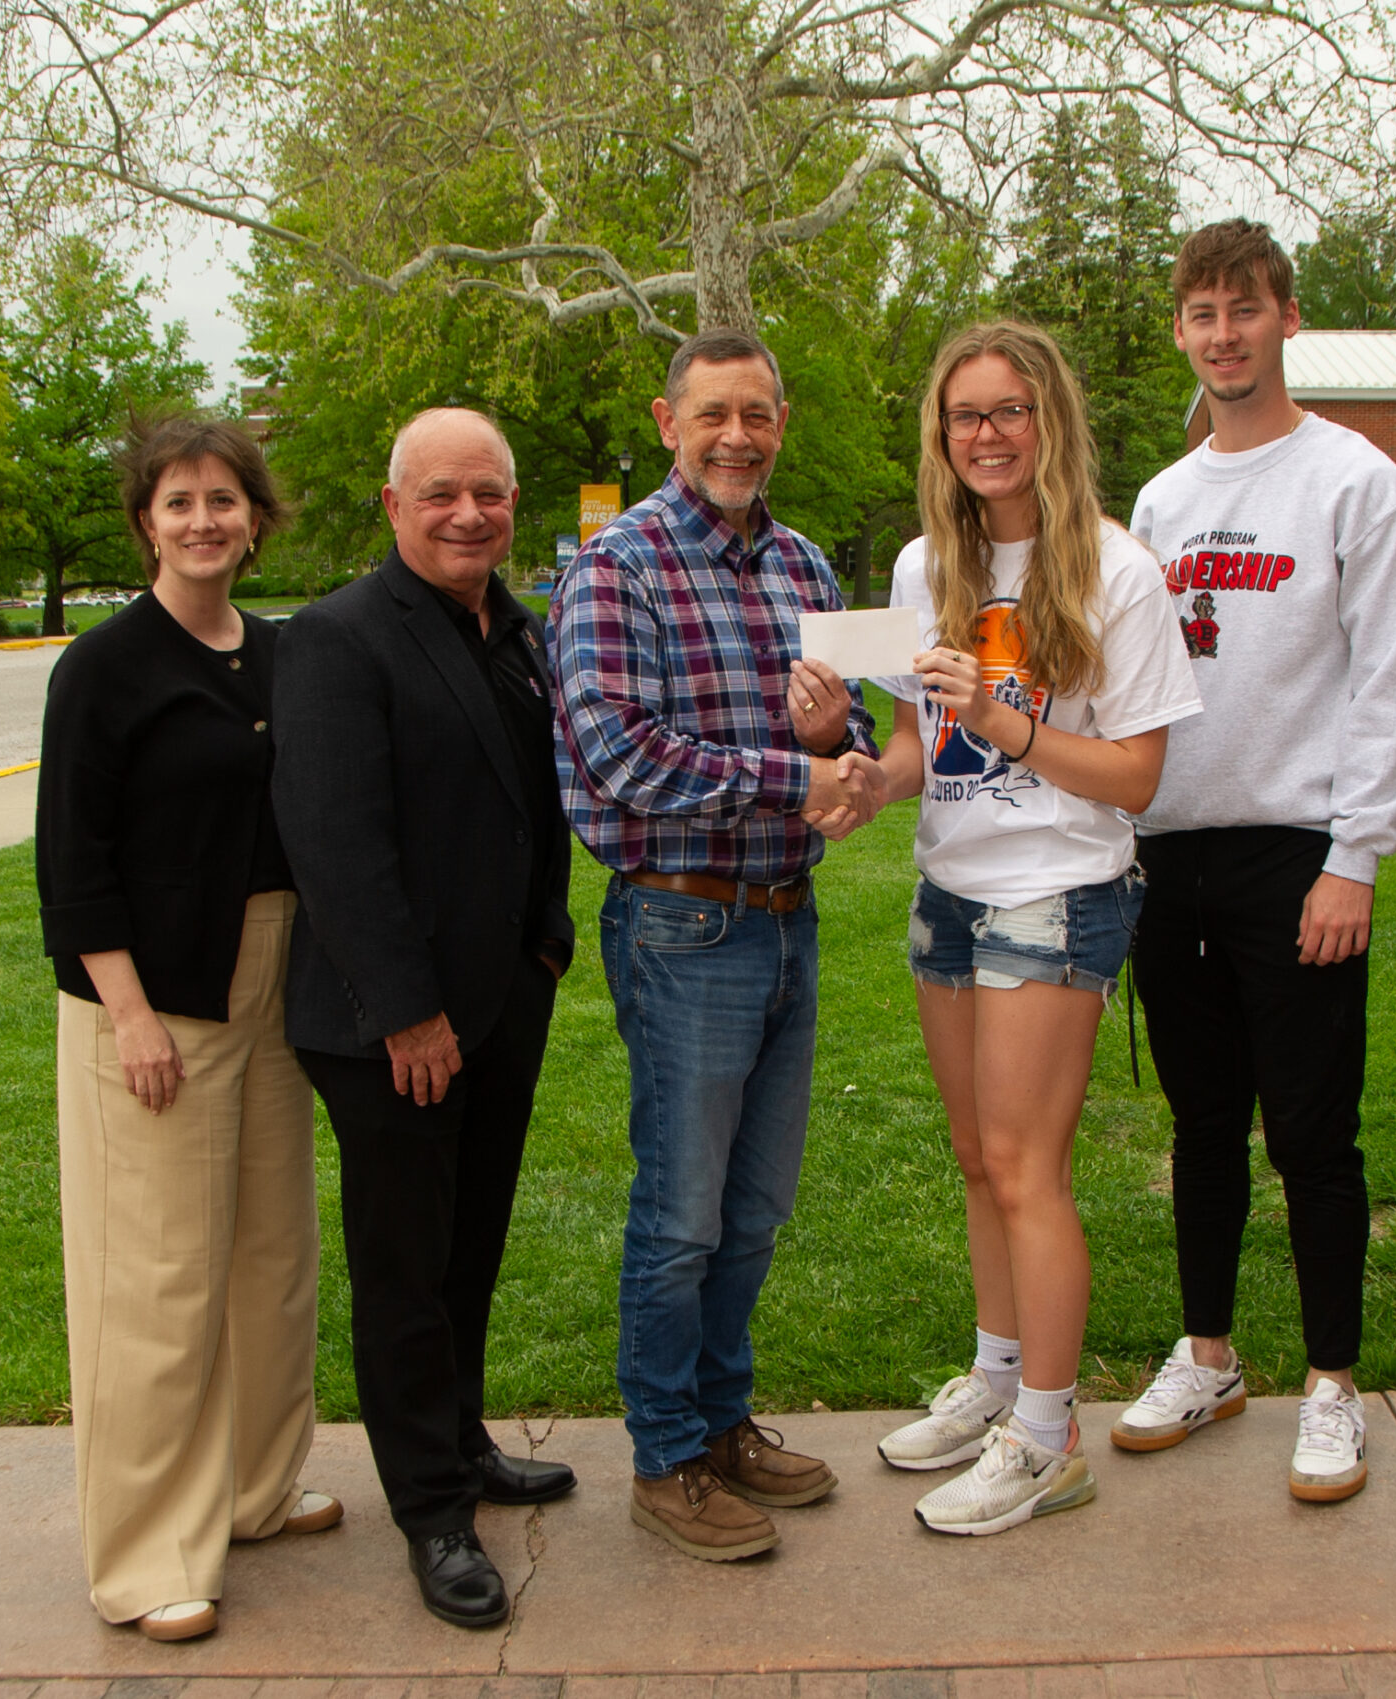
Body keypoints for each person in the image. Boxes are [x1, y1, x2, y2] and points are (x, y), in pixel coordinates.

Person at [1118, 218, 1396, 1502]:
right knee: (1201, 1124)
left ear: (1286, 316)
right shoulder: (1163, 496)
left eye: (1243, 308)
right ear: (1179, 330)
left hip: (1298, 855)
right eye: (1201, 312)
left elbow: (1391, 678)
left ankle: (1332, 1384)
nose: (1223, 333)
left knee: (1311, 1134)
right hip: (1173, 852)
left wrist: (1355, 854)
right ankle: (1207, 1353)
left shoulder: (1356, 483)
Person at [552, 327, 887, 1562]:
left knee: (755, 1210)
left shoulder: (802, 565)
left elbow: (840, 734)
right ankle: (665, 1456)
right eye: (713, 415)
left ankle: (722, 1416)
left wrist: (837, 738)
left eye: (757, 413)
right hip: (682, 922)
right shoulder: (616, 567)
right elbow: (614, 755)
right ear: (666, 421)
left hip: (786, 921)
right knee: (683, 1212)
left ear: (780, 424)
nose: (736, 435)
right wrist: (789, 777)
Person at [869, 321, 1201, 1536]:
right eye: (965, 416)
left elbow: (1136, 779)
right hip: (949, 887)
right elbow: (918, 748)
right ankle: (996, 1379)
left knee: (1026, 1168)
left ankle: (1048, 1440)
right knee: (975, 1158)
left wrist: (1008, 723)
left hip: (1057, 890)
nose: (987, 435)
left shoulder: (1118, 572)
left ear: (1049, 421)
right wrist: (855, 767)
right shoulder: (924, 569)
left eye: (1009, 411)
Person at [271, 409, 579, 1628]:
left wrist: (545, 943)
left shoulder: (519, 631)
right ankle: (431, 1512)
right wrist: (408, 1013)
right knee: (406, 1267)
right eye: (441, 493)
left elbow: (533, 803)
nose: (469, 515)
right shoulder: (339, 640)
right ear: (392, 505)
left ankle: (463, 1439)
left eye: (490, 494)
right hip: (388, 1024)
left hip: (504, 997)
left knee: (472, 1243)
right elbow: (335, 842)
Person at [36, 415, 338, 1645]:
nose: (204, 520)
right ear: (145, 523)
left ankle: (258, 1487)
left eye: (224, 499)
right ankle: (147, 1551)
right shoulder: (103, 669)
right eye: (179, 503)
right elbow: (72, 860)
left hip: (273, 981)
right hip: (151, 997)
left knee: (272, 1254)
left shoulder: (280, 656)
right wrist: (128, 1015)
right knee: (156, 1279)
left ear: (255, 518)